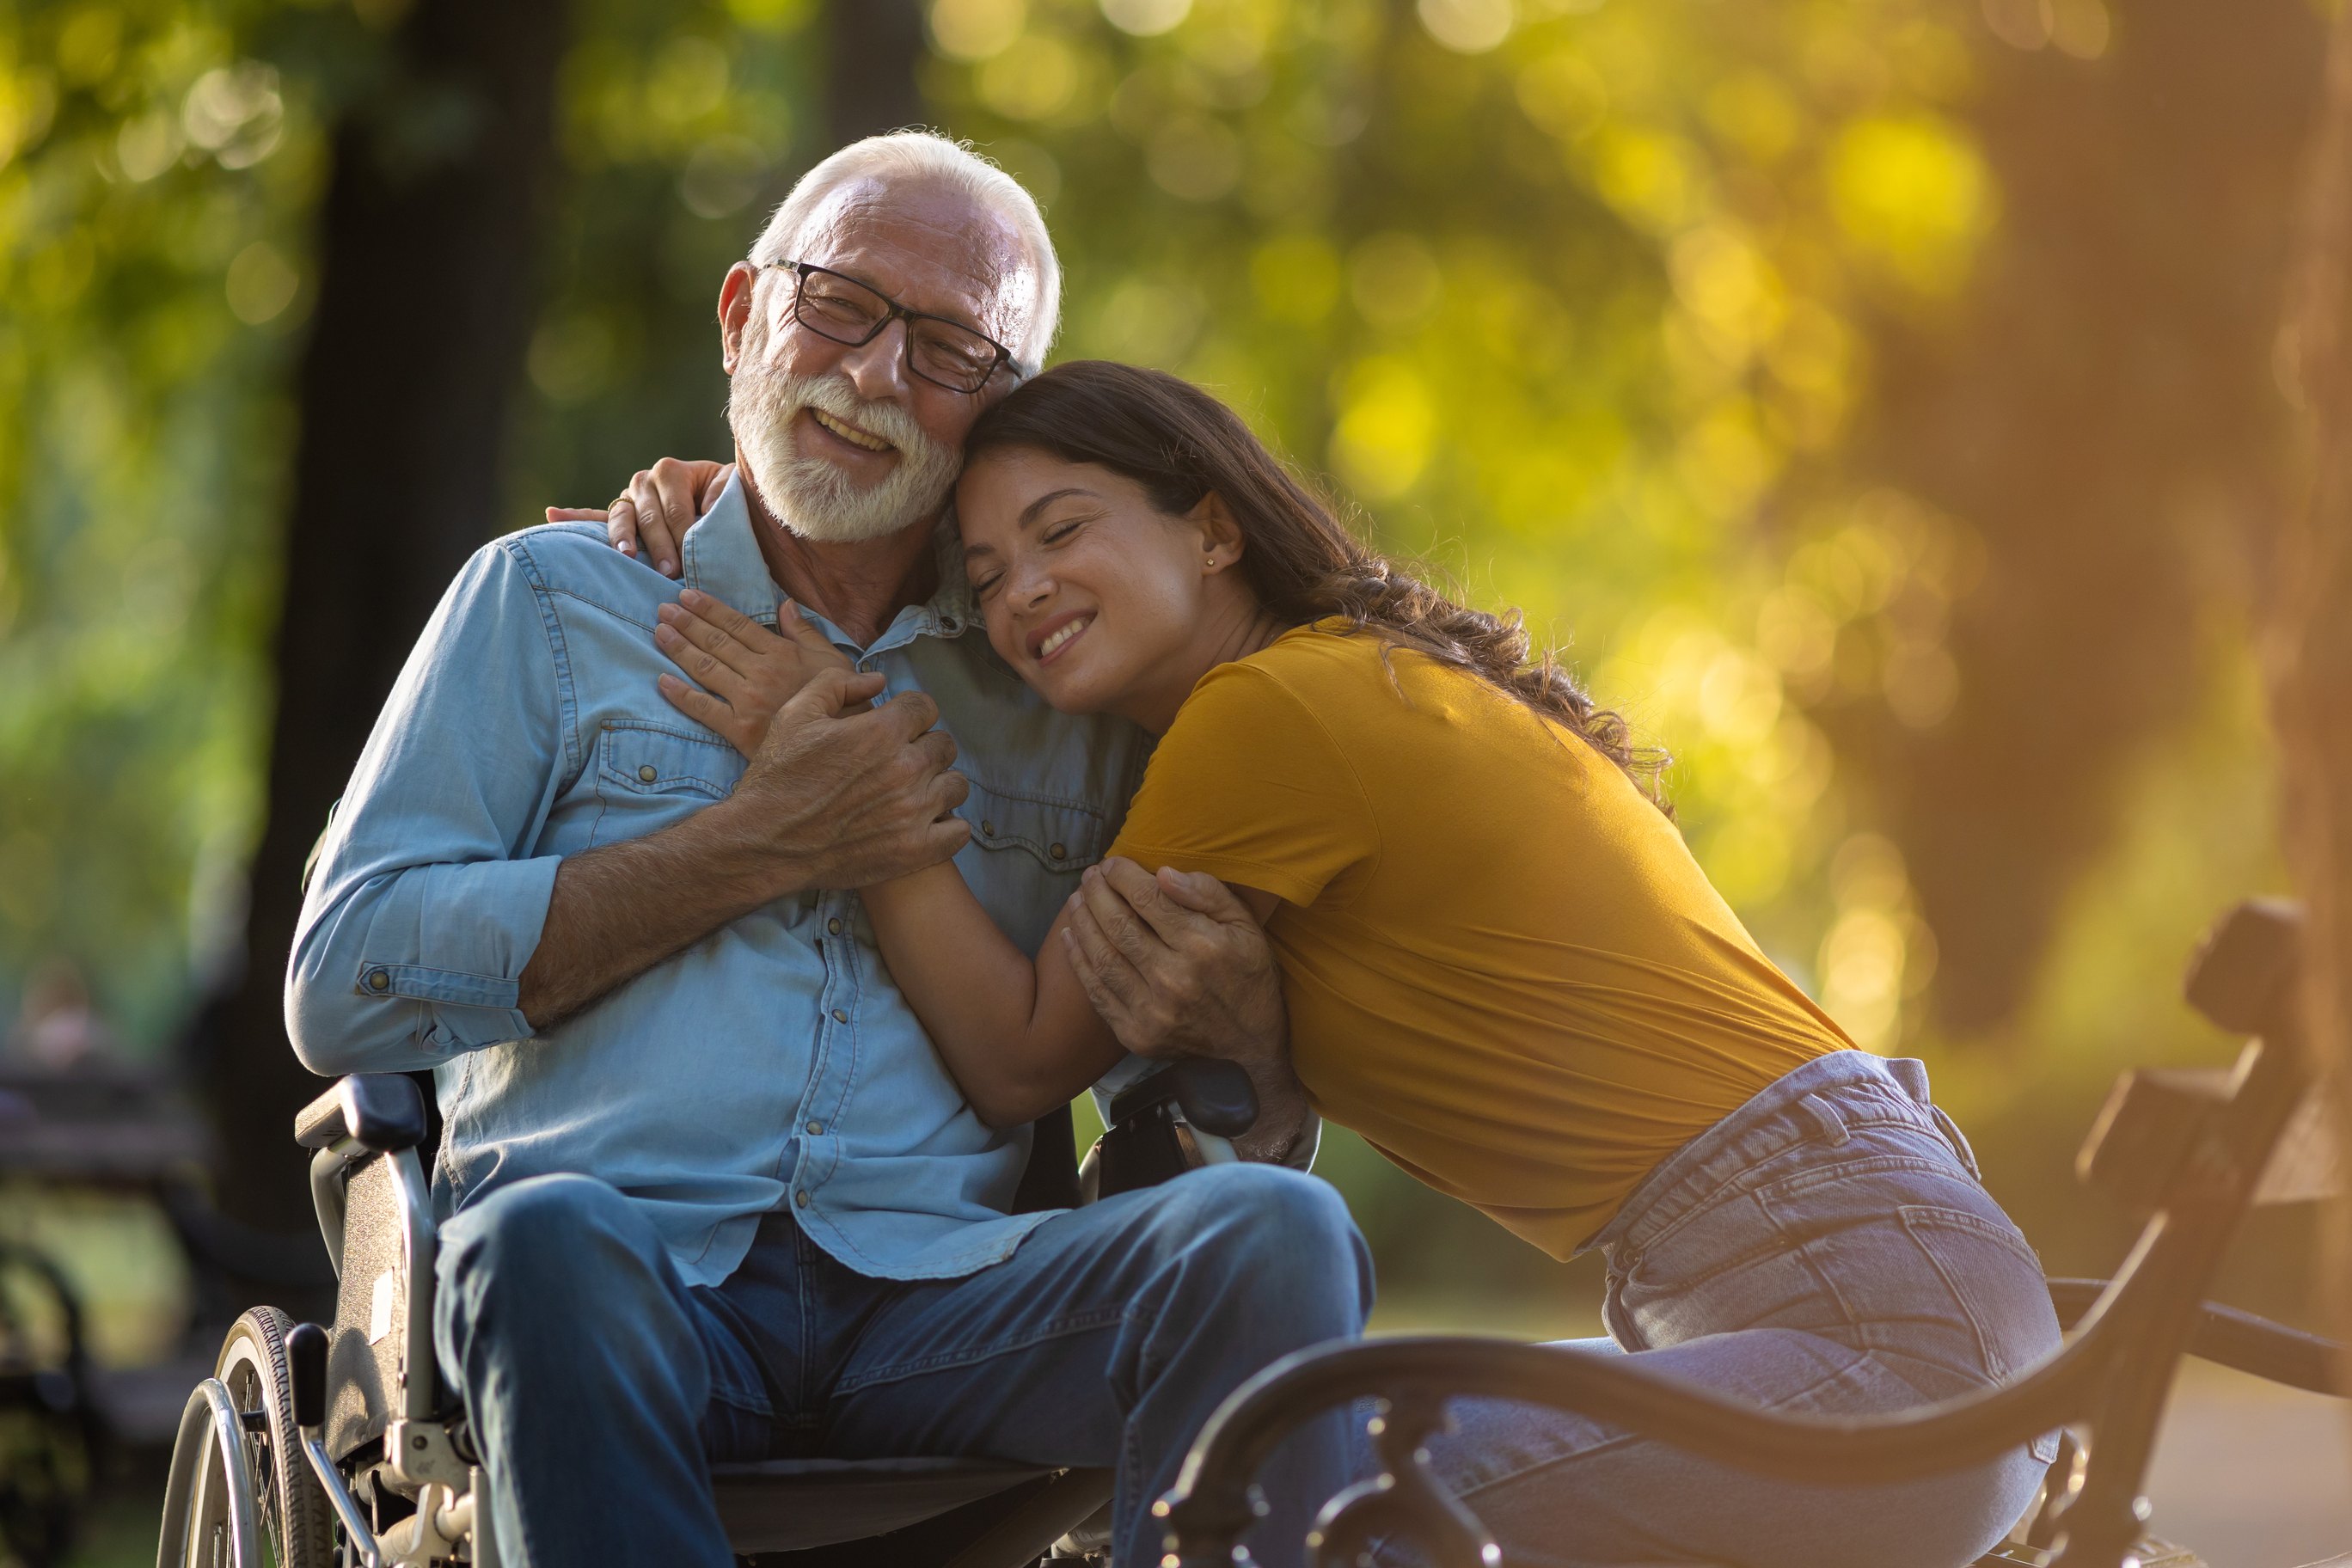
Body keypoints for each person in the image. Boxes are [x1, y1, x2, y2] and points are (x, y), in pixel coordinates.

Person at [616, 358, 2063, 1568]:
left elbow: (1015, 1060)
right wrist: (746, 505)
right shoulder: (1344, 690)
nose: (1020, 596)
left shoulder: (1268, 716)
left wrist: (864, 797)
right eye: (986, 574)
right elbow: (1252, 1097)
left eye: (1063, 533)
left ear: (1213, 529)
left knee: (1266, 1495)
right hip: (1885, 1285)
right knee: (1268, 1472)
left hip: (1868, 1318)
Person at [286, 136, 1371, 1568]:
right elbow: (340, 977)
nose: (872, 377)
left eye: (947, 348)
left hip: (947, 1301)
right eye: (841, 306)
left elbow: (1166, 1077)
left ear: (997, 412)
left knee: (1279, 1230)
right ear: (744, 317)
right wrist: (750, 847)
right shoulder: (548, 603)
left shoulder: (1058, 680)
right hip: (617, 1282)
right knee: (543, 1241)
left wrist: (1265, 1081)